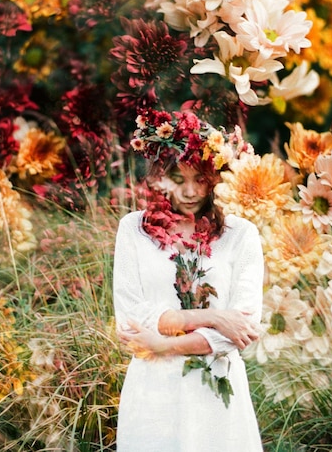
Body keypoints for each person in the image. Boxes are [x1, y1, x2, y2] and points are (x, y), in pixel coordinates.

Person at [113, 108, 265, 452]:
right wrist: (212, 317)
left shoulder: (241, 235)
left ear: (215, 177)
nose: (191, 191)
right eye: (178, 179)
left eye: (200, 179)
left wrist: (164, 344)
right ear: (159, 177)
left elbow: (243, 326)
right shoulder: (133, 230)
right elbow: (131, 318)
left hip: (217, 394)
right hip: (153, 393)